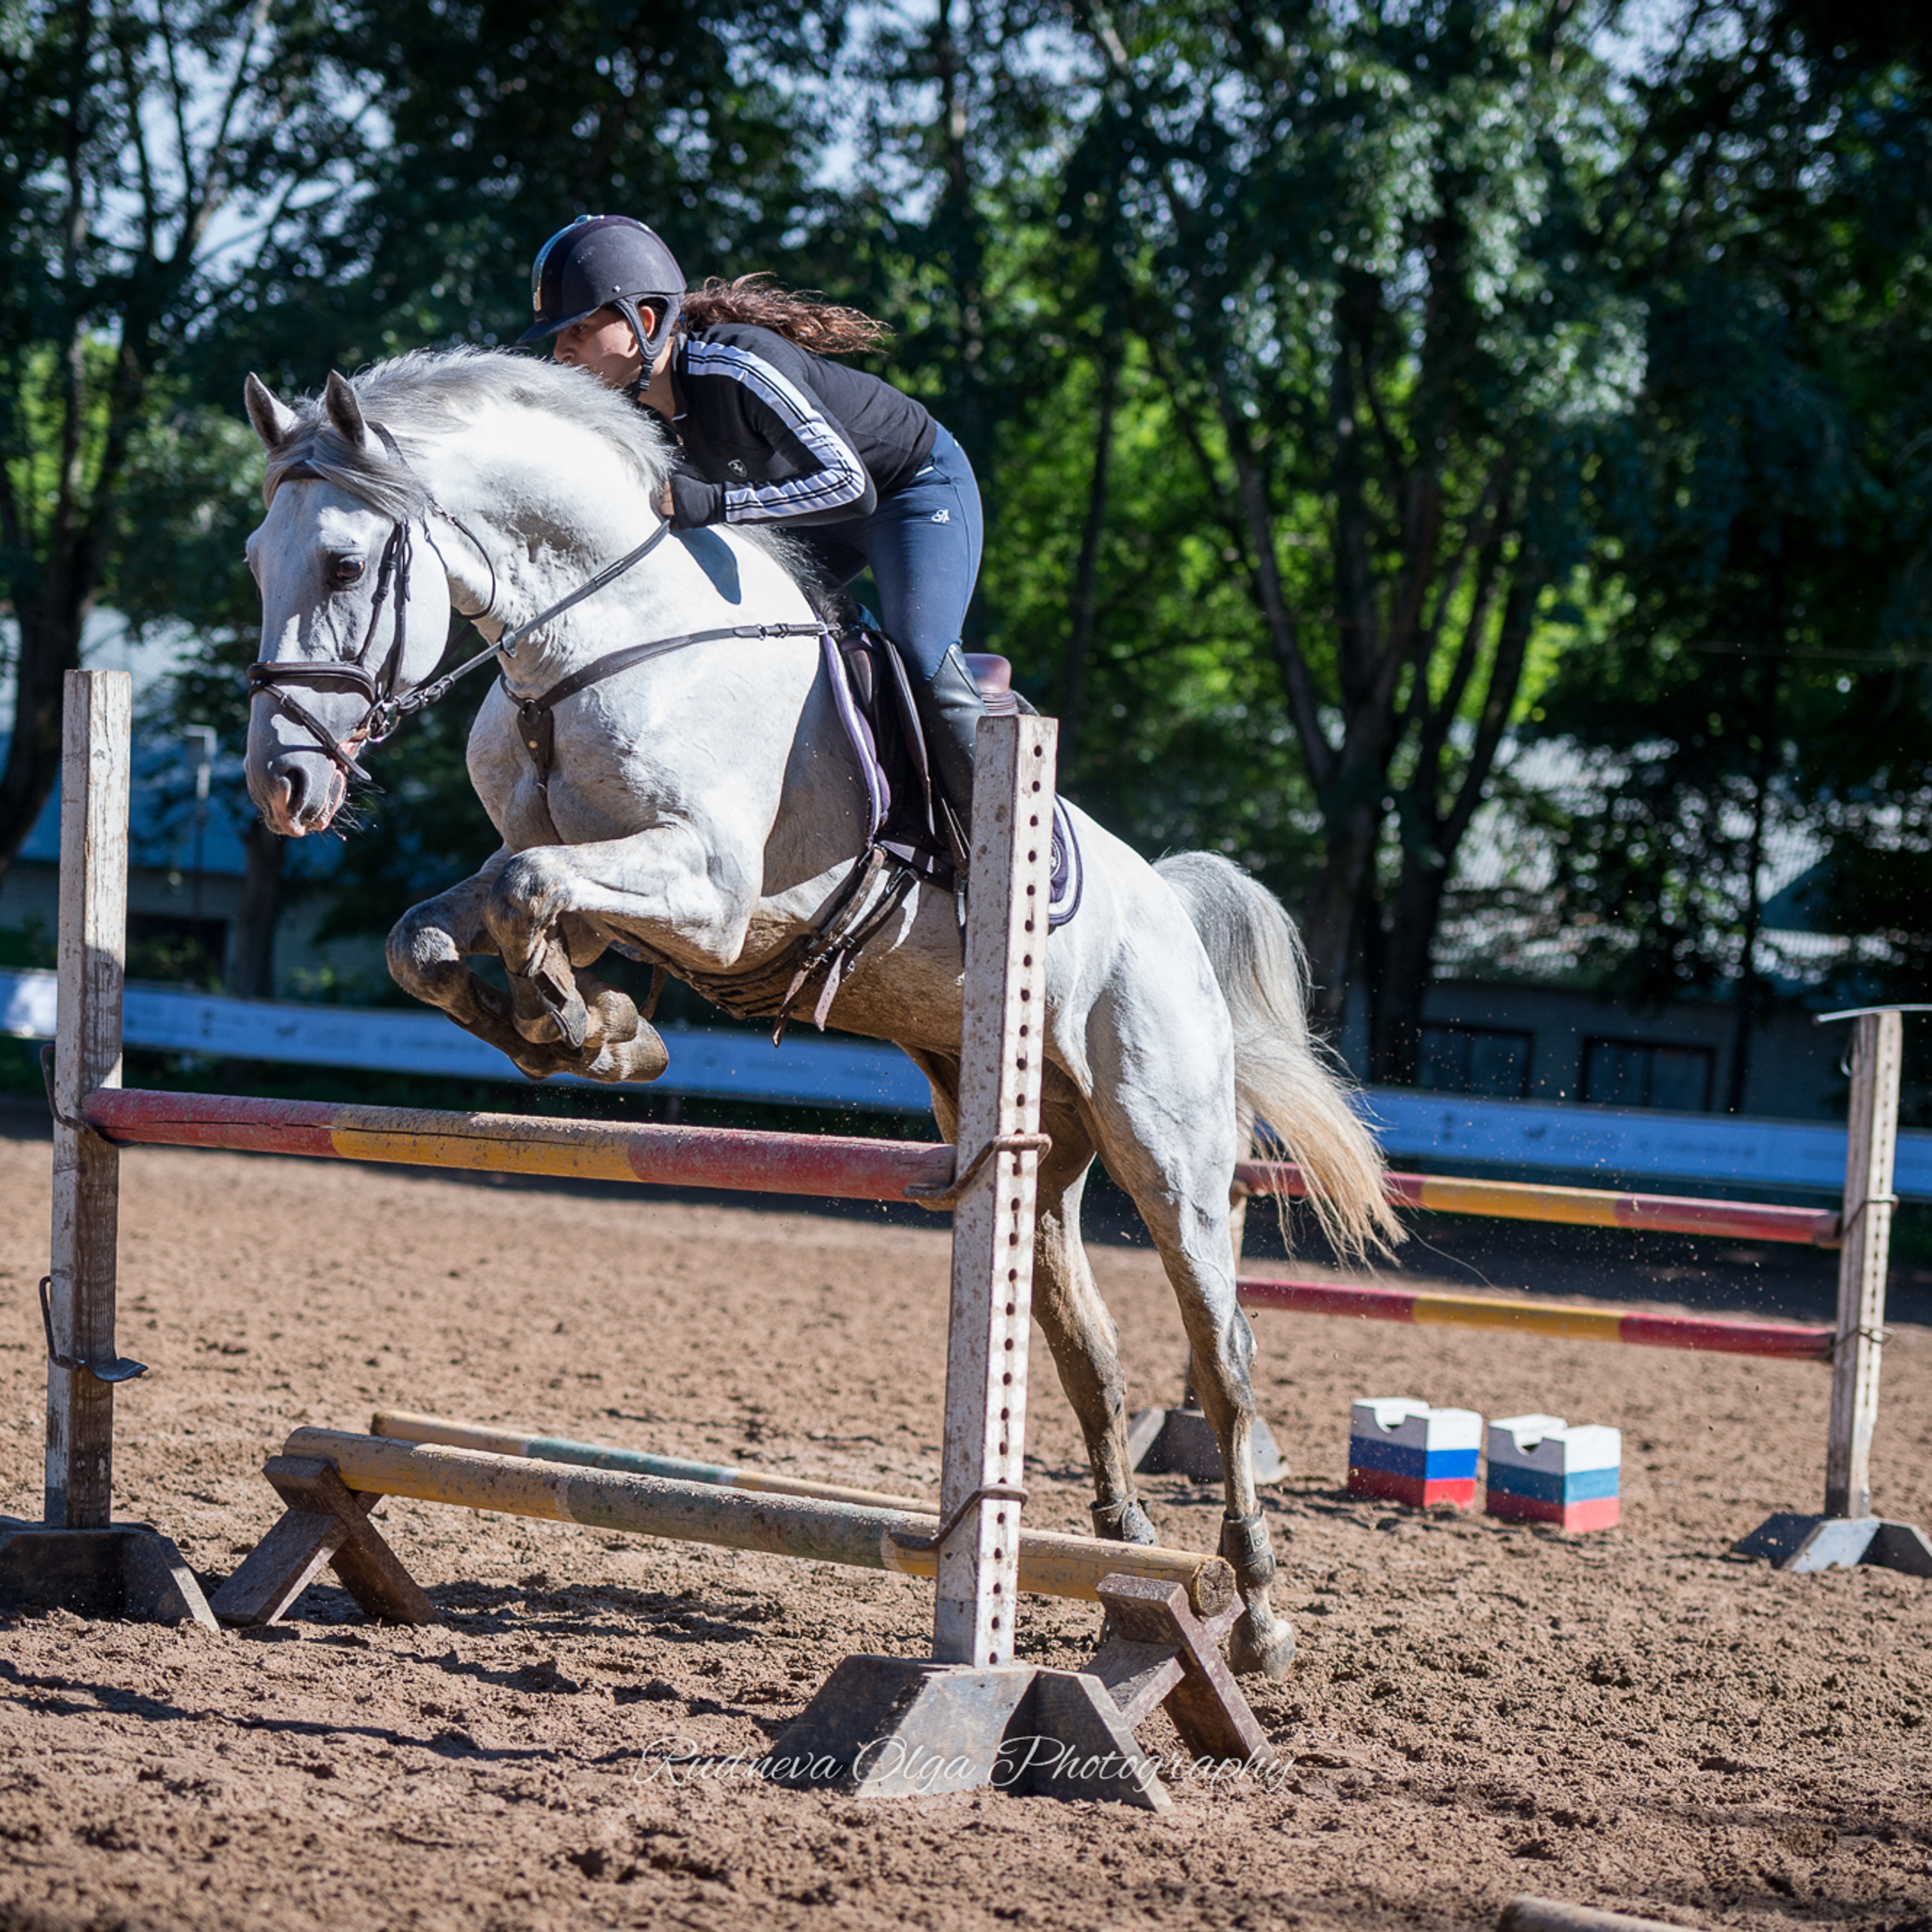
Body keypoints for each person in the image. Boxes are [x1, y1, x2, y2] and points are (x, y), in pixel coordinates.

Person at [520, 213, 988, 834]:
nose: (560, 352)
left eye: (577, 329)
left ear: (645, 325)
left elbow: (852, 487)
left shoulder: (735, 367)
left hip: (910, 490)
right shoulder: (638, 421)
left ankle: (1005, 831)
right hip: (813, 511)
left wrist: (715, 505)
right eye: (555, 337)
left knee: (923, 656)